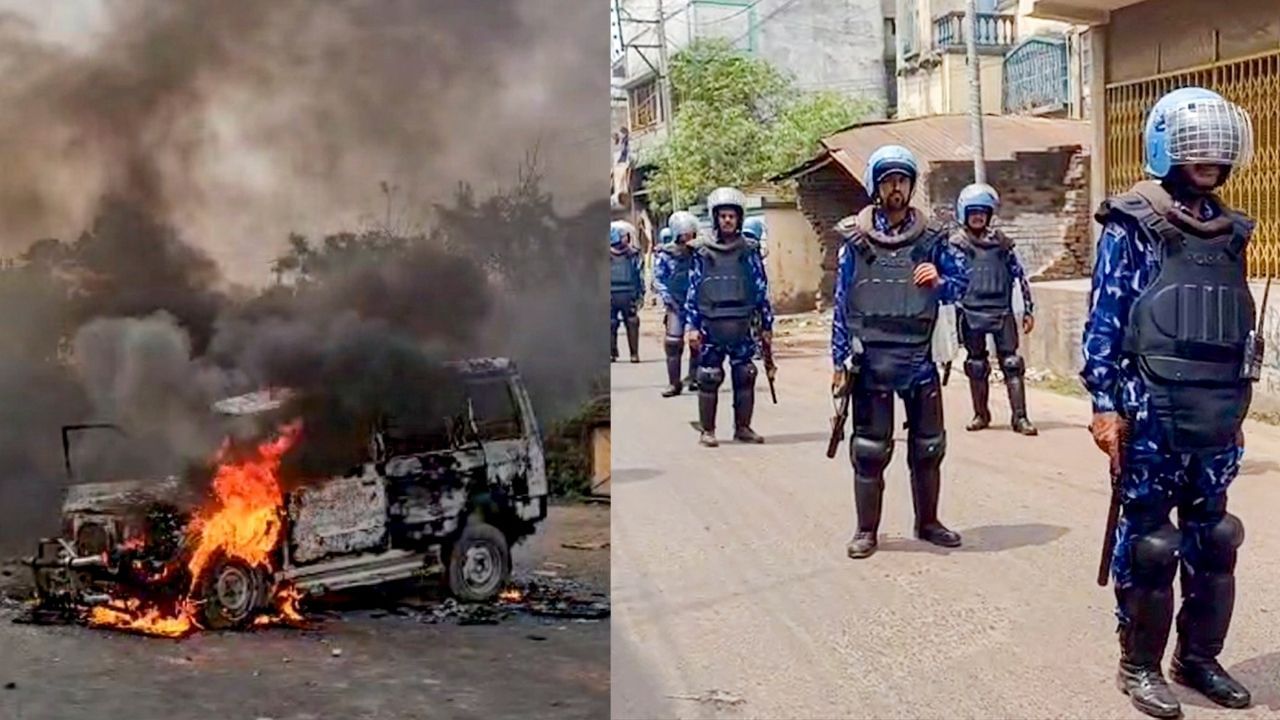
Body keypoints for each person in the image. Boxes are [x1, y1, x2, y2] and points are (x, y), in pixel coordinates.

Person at [1083, 87, 1258, 719]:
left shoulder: (1232, 231)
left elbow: (1234, 328)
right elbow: (1105, 319)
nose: (1208, 156)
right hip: (1150, 410)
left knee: (1215, 538)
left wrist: (1238, 411)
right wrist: (1105, 404)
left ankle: (1198, 658)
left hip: (1214, 412)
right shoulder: (1132, 222)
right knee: (1153, 544)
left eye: (1218, 144)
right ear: (1166, 147)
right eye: (1194, 144)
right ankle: (1139, 666)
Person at [831, 145, 969, 559]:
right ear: (877, 186)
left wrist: (941, 280)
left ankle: (928, 523)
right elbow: (841, 302)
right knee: (870, 450)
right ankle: (866, 531)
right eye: (889, 180)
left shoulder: (933, 240)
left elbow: (963, 284)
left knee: (928, 446)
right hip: (870, 357)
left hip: (918, 356)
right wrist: (839, 360)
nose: (896, 188)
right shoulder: (853, 241)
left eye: (903, 181)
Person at [685, 187, 773, 447]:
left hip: (742, 323)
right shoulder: (701, 252)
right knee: (708, 376)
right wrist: (692, 326)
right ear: (715, 218)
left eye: (731, 216)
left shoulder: (749, 250)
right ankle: (708, 431)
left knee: (745, 374)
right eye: (722, 216)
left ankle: (743, 428)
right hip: (711, 325)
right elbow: (694, 289)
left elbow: (760, 288)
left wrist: (767, 325)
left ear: (739, 219)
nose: (727, 220)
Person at [951, 183, 1038, 436]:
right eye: (973, 211)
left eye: (983, 211)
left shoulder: (1002, 244)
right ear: (963, 214)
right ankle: (981, 414)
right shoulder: (956, 245)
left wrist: (1028, 309)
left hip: (1002, 311)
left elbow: (1019, 275)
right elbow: (947, 281)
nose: (978, 216)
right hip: (970, 311)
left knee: (1011, 363)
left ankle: (1020, 418)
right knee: (976, 365)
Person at [654, 212, 700, 396]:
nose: (687, 236)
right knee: (673, 342)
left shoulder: (700, 252)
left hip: (697, 302)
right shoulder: (666, 255)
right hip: (675, 303)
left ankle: (695, 377)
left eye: (690, 233)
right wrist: (667, 297)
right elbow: (659, 279)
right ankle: (674, 383)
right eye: (684, 233)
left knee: (698, 341)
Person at [609, 220, 644, 363]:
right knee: (610, 324)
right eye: (624, 236)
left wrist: (640, 293)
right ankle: (611, 352)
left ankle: (634, 354)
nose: (626, 238)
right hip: (611, 293)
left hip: (628, 293)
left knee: (632, 322)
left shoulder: (633, 254)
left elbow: (638, 275)